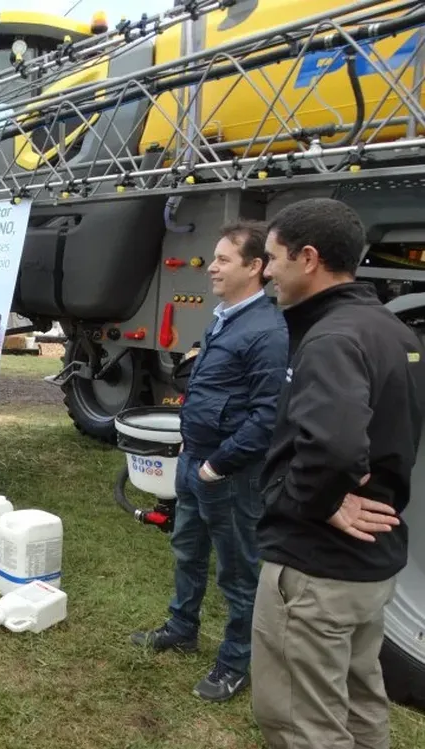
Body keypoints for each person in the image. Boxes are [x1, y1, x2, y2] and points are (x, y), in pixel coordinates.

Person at [252, 198, 423, 748]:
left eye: (272, 258)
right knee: (359, 701)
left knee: (304, 720)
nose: (267, 271)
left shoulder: (330, 338)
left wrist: (322, 501)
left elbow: (336, 446)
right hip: (369, 568)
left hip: (316, 570)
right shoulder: (391, 330)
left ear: (308, 258)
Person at [131, 221, 289, 703]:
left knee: (238, 572)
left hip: (229, 475)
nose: (212, 267)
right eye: (214, 258)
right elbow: (209, 390)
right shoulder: (225, 316)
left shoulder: (267, 330)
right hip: (195, 459)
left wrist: (218, 463)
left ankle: (235, 661)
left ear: (255, 267)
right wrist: (190, 443)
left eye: (223, 260)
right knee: (187, 549)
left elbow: (267, 416)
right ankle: (181, 627)